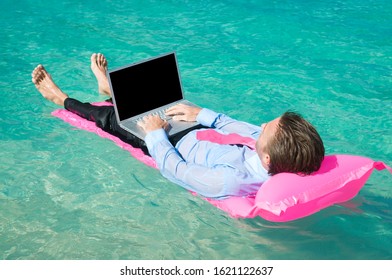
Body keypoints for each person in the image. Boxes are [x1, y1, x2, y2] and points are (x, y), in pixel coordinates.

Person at [32, 53, 325, 199]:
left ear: (267, 159)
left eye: (266, 128)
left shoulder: (232, 180)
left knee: (108, 119)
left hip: (169, 143)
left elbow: (177, 171)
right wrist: (201, 113)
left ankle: (60, 97)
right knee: (163, 96)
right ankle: (110, 90)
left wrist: (156, 134)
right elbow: (236, 126)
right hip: (193, 126)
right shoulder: (268, 146)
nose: (260, 126)